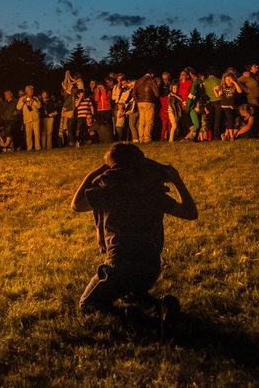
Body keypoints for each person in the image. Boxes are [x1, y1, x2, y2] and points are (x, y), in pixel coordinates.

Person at [71, 143, 197, 334]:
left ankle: (135, 319)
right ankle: (160, 307)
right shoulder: (151, 191)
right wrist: (177, 180)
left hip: (119, 264)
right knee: (128, 291)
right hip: (149, 268)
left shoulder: (108, 189)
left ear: (112, 166)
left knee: (88, 303)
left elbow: (76, 205)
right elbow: (190, 212)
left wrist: (94, 173)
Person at [17, 84, 42, 151]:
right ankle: (29, 148)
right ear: (26, 91)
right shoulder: (22, 99)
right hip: (27, 119)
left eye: (32, 90)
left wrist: (33, 100)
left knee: (37, 134)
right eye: (30, 90)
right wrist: (23, 101)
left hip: (35, 118)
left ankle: (37, 147)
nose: (32, 91)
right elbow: (18, 107)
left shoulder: (35, 98)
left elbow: (39, 106)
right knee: (28, 135)